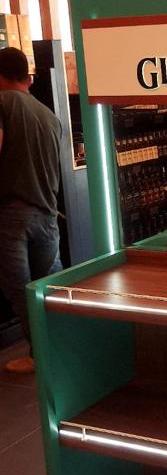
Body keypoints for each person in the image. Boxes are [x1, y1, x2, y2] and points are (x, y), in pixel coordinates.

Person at [0, 47, 62, 374]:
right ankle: (62, 350)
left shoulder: (3, 103)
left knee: (22, 292)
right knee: (48, 287)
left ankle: (40, 356)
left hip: (13, 215)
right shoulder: (48, 114)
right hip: (48, 215)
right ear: (28, 75)